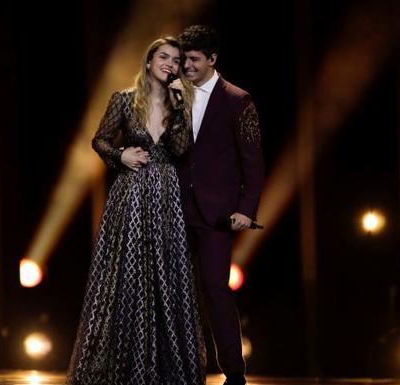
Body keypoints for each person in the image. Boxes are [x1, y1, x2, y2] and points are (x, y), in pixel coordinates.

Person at [67, 36, 206, 385]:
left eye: (176, 60)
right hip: (131, 193)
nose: (171, 64)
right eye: (164, 57)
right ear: (148, 62)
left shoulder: (180, 105)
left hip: (166, 196)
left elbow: (180, 149)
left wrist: (181, 105)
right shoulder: (124, 101)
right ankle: (121, 366)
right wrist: (120, 155)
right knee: (127, 276)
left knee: (167, 273)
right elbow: (99, 139)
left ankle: (167, 367)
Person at [176, 25, 265, 385]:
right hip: (175, 208)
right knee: (175, 291)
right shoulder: (171, 96)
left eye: (194, 60)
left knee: (215, 287)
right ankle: (181, 368)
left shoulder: (237, 100)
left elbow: (253, 161)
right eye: (183, 60)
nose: (187, 66)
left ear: (213, 59)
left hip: (217, 213)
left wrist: (246, 208)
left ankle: (233, 371)